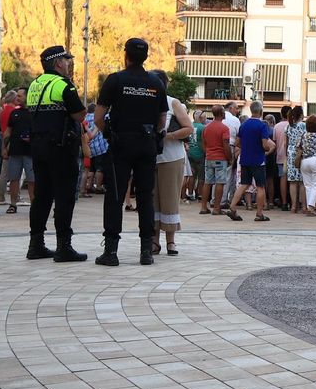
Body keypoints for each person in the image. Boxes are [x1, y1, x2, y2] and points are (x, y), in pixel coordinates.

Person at [93, 38, 164, 265]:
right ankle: (146, 251)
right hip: (147, 144)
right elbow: (162, 119)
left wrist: (110, 133)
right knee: (145, 196)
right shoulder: (156, 82)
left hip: (121, 144)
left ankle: (111, 251)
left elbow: (98, 117)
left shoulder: (116, 80)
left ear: (126, 55)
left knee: (115, 195)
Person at [24, 46, 88, 262]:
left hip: (38, 147)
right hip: (61, 148)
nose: (69, 63)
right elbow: (79, 115)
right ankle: (63, 246)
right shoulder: (63, 85)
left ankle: (36, 244)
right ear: (58, 63)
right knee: (64, 196)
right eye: (66, 60)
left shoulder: (35, 84)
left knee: (41, 196)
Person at [152, 74, 193, 255]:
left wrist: (168, 136)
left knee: (170, 199)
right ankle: (153, 241)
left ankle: (171, 241)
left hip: (171, 157)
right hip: (150, 157)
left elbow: (188, 128)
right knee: (152, 200)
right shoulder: (145, 102)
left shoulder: (173, 103)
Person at [226, 100, 274, 223]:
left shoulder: (244, 125)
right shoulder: (262, 125)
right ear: (261, 111)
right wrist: (268, 148)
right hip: (258, 160)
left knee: (244, 184)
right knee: (260, 187)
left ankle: (232, 207)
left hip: (245, 159)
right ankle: (259, 213)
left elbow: (237, 143)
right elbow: (264, 144)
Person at [1, 98, 33, 213]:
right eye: (17, 96)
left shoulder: (34, 112)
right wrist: (4, 147)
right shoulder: (14, 113)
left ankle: (34, 205)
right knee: (14, 178)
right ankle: (13, 204)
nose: (17, 98)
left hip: (30, 152)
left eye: (20, 96)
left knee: (32, 180)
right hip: (15, 151)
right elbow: (8, 131)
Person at [198, 105, 231, 215]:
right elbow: (226, 145)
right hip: (220, 158)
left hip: (209, 157)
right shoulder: (224, 128)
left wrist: (207, 153)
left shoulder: (206, 127)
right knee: (220, 182)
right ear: (222, 113)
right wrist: (229, 158)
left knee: (207, 182)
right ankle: (217, 208)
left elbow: (203, 143)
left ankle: (203, 207)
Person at [284, 106, 307, 214]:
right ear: (301, 114)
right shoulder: (303, 125)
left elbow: (286, 143)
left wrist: (286, 155)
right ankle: (304, 206)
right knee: (302, 181)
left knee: (293, 182)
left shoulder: (288, 126)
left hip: (291, 153)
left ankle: (293, 206)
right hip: (301, 153)